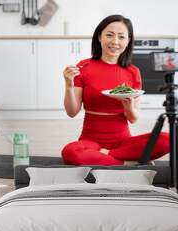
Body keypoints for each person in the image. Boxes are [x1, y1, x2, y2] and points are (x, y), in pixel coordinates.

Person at [61, 14, 169, 166]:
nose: (115, 42)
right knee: (70, 153)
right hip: (90, 141)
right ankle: (127, 163)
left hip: (123, 143)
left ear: (128, 40)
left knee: (167, 140)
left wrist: (129, 107)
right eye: (109, 35)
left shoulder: (133, 71)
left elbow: (133, 118)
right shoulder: (84, 66)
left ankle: (107, 157)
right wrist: (68, 84)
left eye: (121, 37)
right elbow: (72, 112)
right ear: (99, 37)